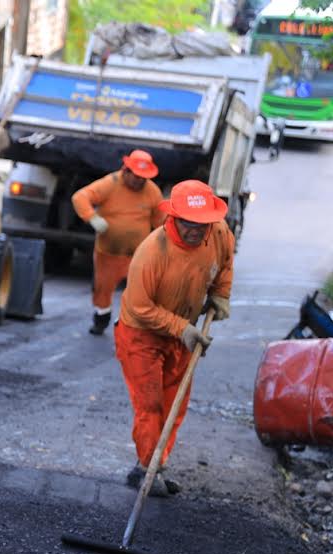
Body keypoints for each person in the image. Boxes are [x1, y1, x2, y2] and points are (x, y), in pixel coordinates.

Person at [114, 180, 234, 497]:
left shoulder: (218, 232)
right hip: (141, 336)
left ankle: (155, 465)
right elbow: (140, 308)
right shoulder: (153, 252)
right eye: (188, 222)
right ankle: (147, 469)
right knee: (150, 406)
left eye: (202, 223)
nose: (196, 229)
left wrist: (221, 295)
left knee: (174, 404)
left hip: (182, 336)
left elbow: (224, 263)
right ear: (174, 217)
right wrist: (182, 328)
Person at [71, 149, 166, 335]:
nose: (140, 180)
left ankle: (131, 324)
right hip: (108, 253)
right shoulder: (110, 183)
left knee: (141, 292)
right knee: (102, 289)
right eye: (137, 176)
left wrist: (161, 245)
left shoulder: (152, 191)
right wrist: (92, 218)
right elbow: (80, 197)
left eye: (144, 177)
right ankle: (101, 319)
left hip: (137, 255)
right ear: (126, 171)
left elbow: (159, 221)